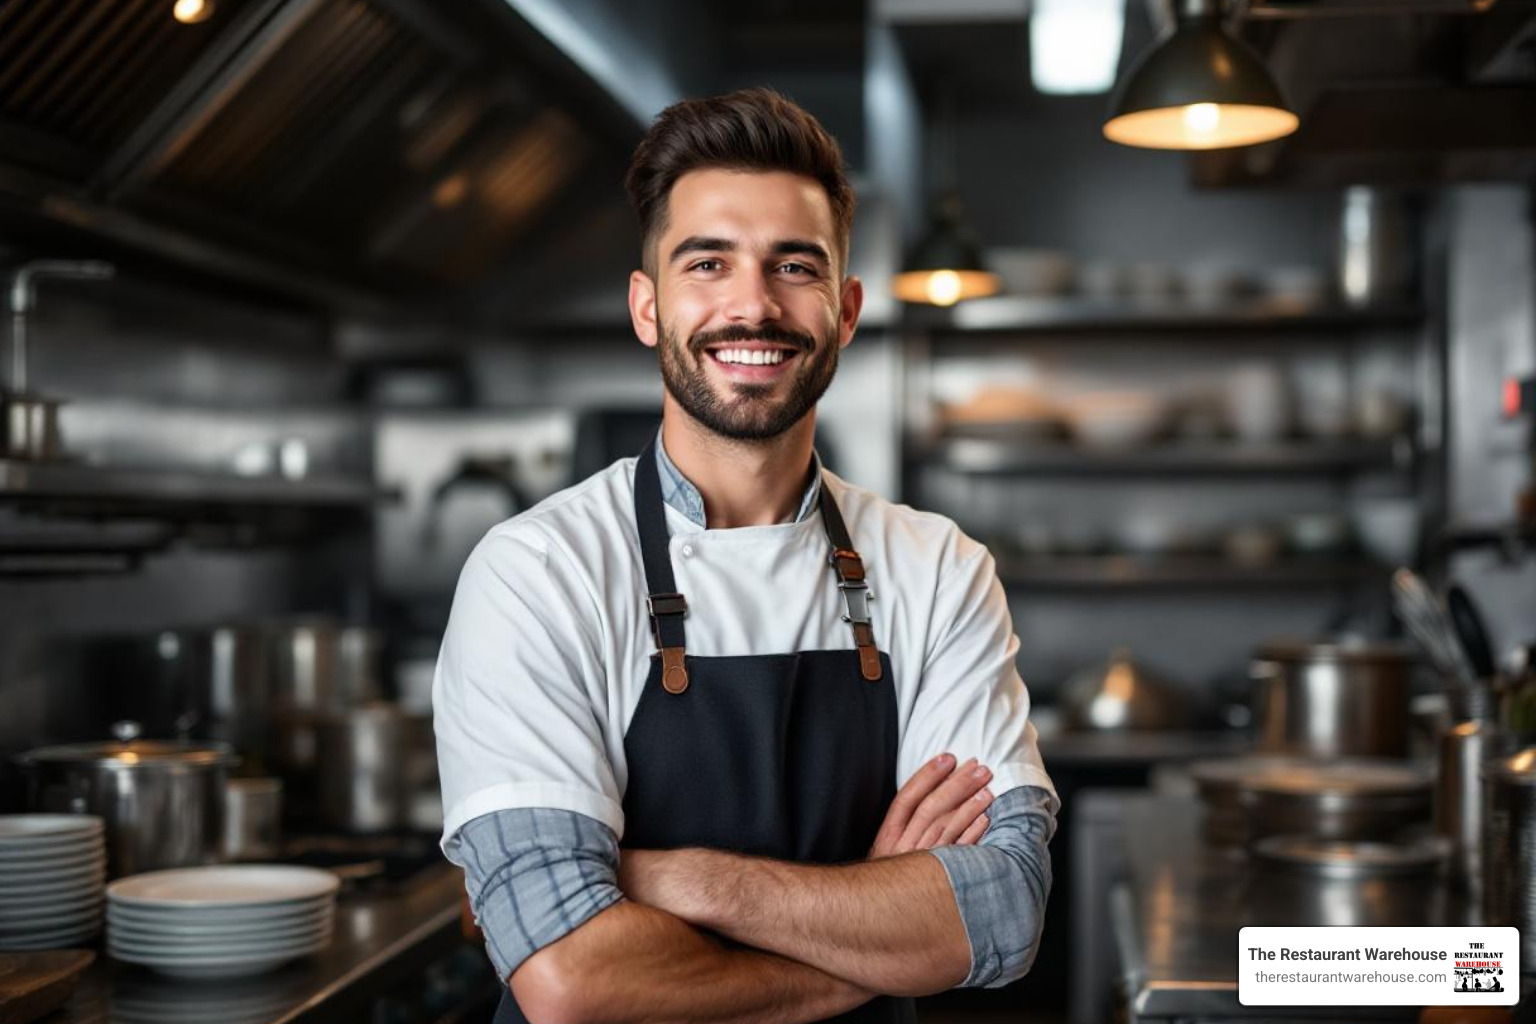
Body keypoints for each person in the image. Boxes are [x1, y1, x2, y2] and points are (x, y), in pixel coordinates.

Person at [434, 87, 1058, 1024]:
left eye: (794, 266)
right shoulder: (538, 573)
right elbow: (571, 981)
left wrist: (686, 881)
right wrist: (881, 941)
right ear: (648, 307)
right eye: (708, 263)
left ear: (846, 310)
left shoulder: (938, 569)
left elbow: (1000, 913)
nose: (753, 305)